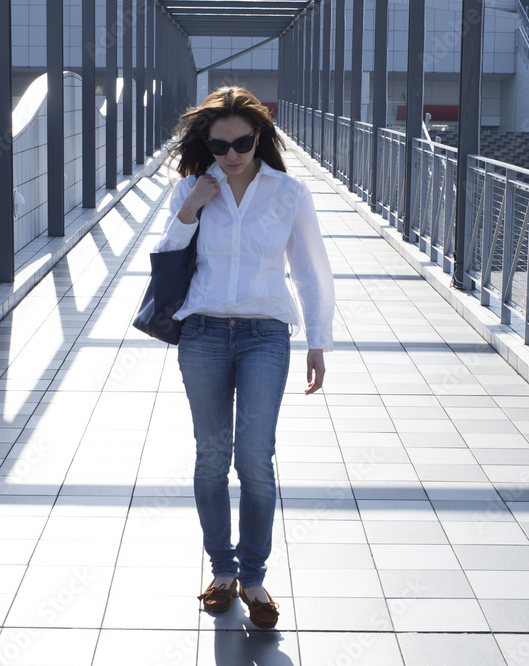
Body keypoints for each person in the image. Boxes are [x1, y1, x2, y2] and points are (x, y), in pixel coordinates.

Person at [153, 86, 335, 629]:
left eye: (243, 142)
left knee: (254, 457)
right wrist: (190, 208)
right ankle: (222, 573)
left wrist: (317, 341)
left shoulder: (288, 193)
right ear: (205, 145)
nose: (231, 154)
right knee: (211, 455)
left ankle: (253, 578)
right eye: (219, 145)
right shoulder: (191, 187)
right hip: (203, 333)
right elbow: (166, 256)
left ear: (260, 136)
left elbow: (310, 270)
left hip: (264, 334)